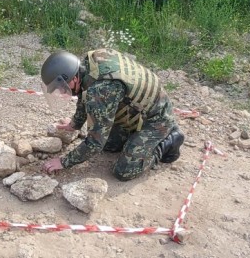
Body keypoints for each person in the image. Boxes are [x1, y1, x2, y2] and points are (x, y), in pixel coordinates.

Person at [40, 48, 184, 181]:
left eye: (61, 86)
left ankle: (168, 141)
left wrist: (64, 162)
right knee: (109, 144)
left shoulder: (100, 90)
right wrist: (74, 124)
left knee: (124, 171)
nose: (61, 91)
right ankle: (135, 139)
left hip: (157, 119)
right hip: (140, 109)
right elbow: (84, 95)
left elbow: (95, 143)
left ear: (73, 78)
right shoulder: (88, 66)